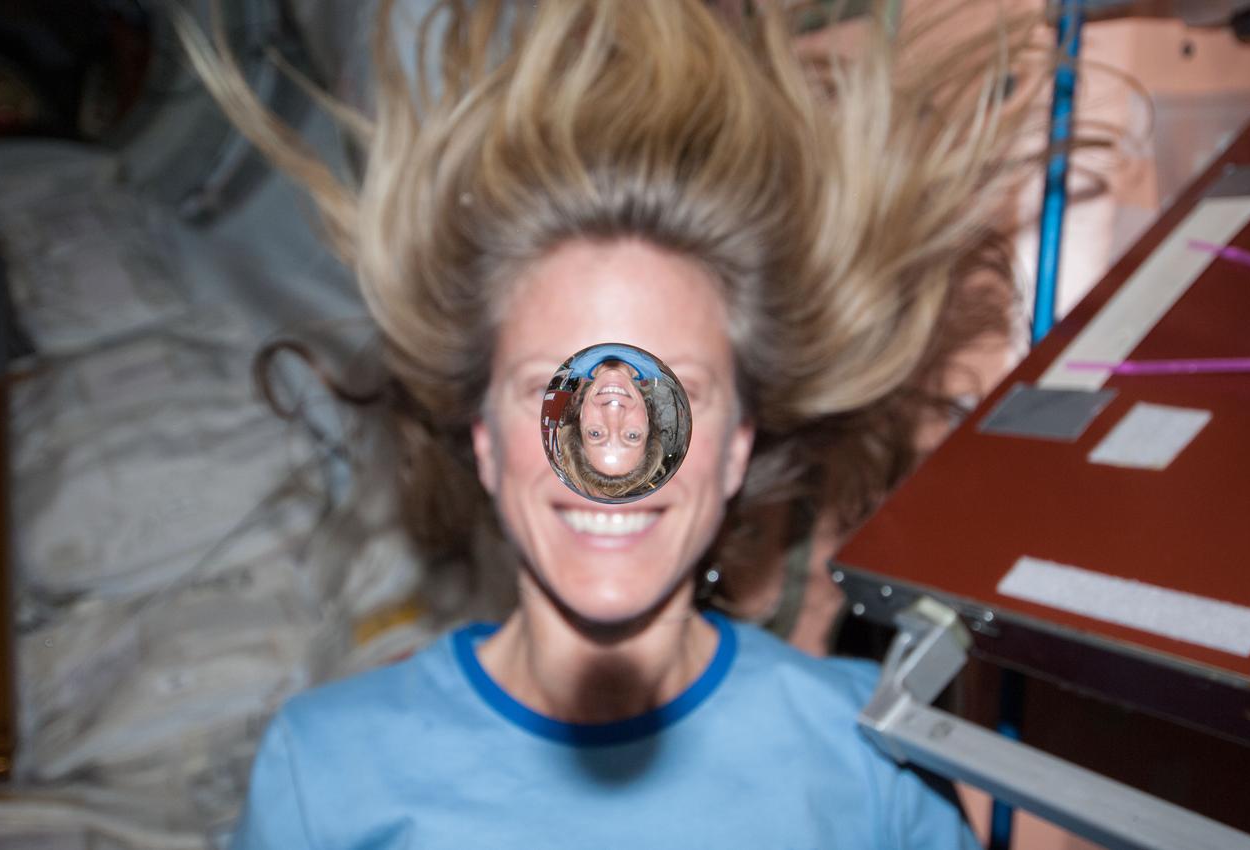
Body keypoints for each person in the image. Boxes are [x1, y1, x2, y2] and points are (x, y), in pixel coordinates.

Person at [179, 0, 1043, 846]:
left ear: (738, 445)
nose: (611, 454)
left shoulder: (867, 757)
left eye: (674, 393)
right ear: (484, 440)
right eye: (555, 391)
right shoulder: (325, 772)